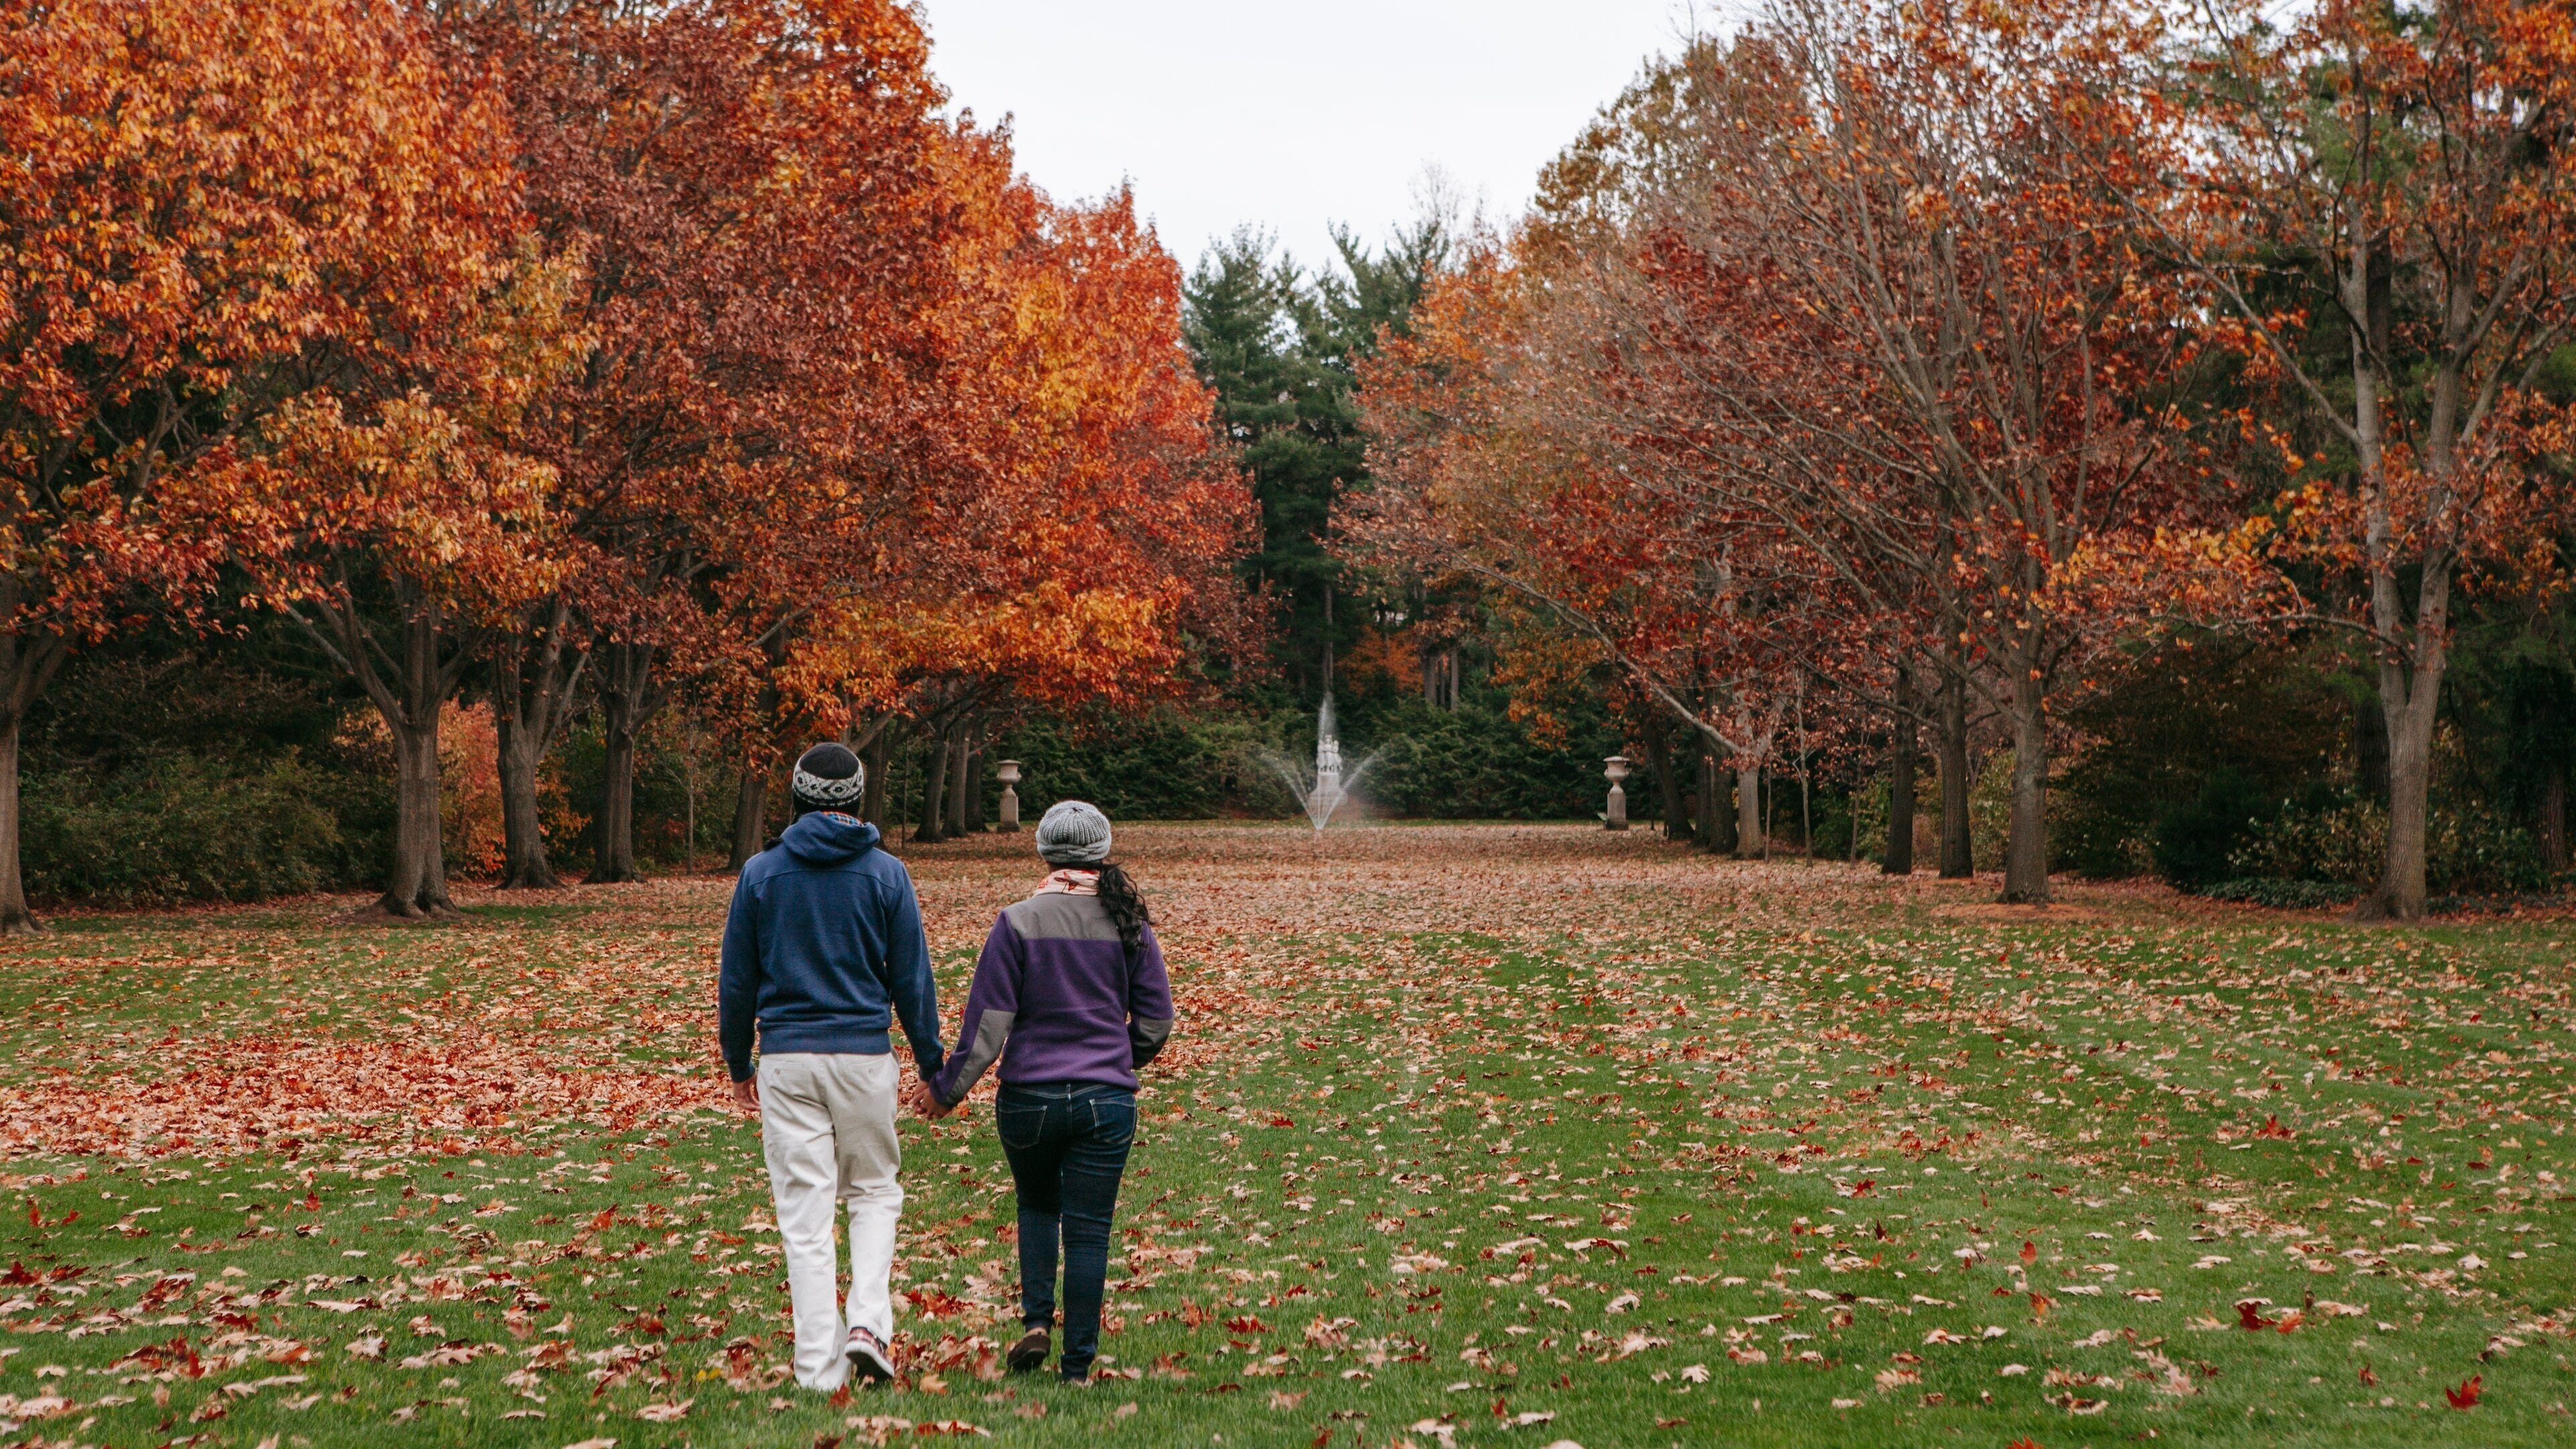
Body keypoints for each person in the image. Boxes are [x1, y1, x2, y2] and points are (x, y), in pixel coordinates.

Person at [912, 800, 1173, 1383]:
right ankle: (1076, 1366)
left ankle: (1035, 1322)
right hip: (1106, 1100)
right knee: (1089, 1229)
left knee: (1035, 1205)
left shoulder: (1018, 921)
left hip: (1029, 1098)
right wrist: (1118, 1060)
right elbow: (1157, 1022)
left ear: (1045, 853)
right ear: (1102, 853)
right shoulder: (1129, 922)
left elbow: (988, 1026)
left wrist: (948, 1090)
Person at [718, 742, 945, 1392]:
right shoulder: (887, 875)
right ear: (858, 798)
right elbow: (912, 980)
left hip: (788, 1060)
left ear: (796, 796)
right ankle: (868, 1324)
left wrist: (738, 1061)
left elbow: (737, 980)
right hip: (863, 1058)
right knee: (873, 1192)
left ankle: (819, 1369)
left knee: (805, 1215)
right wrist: (932, 1063)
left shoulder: (761, 874)